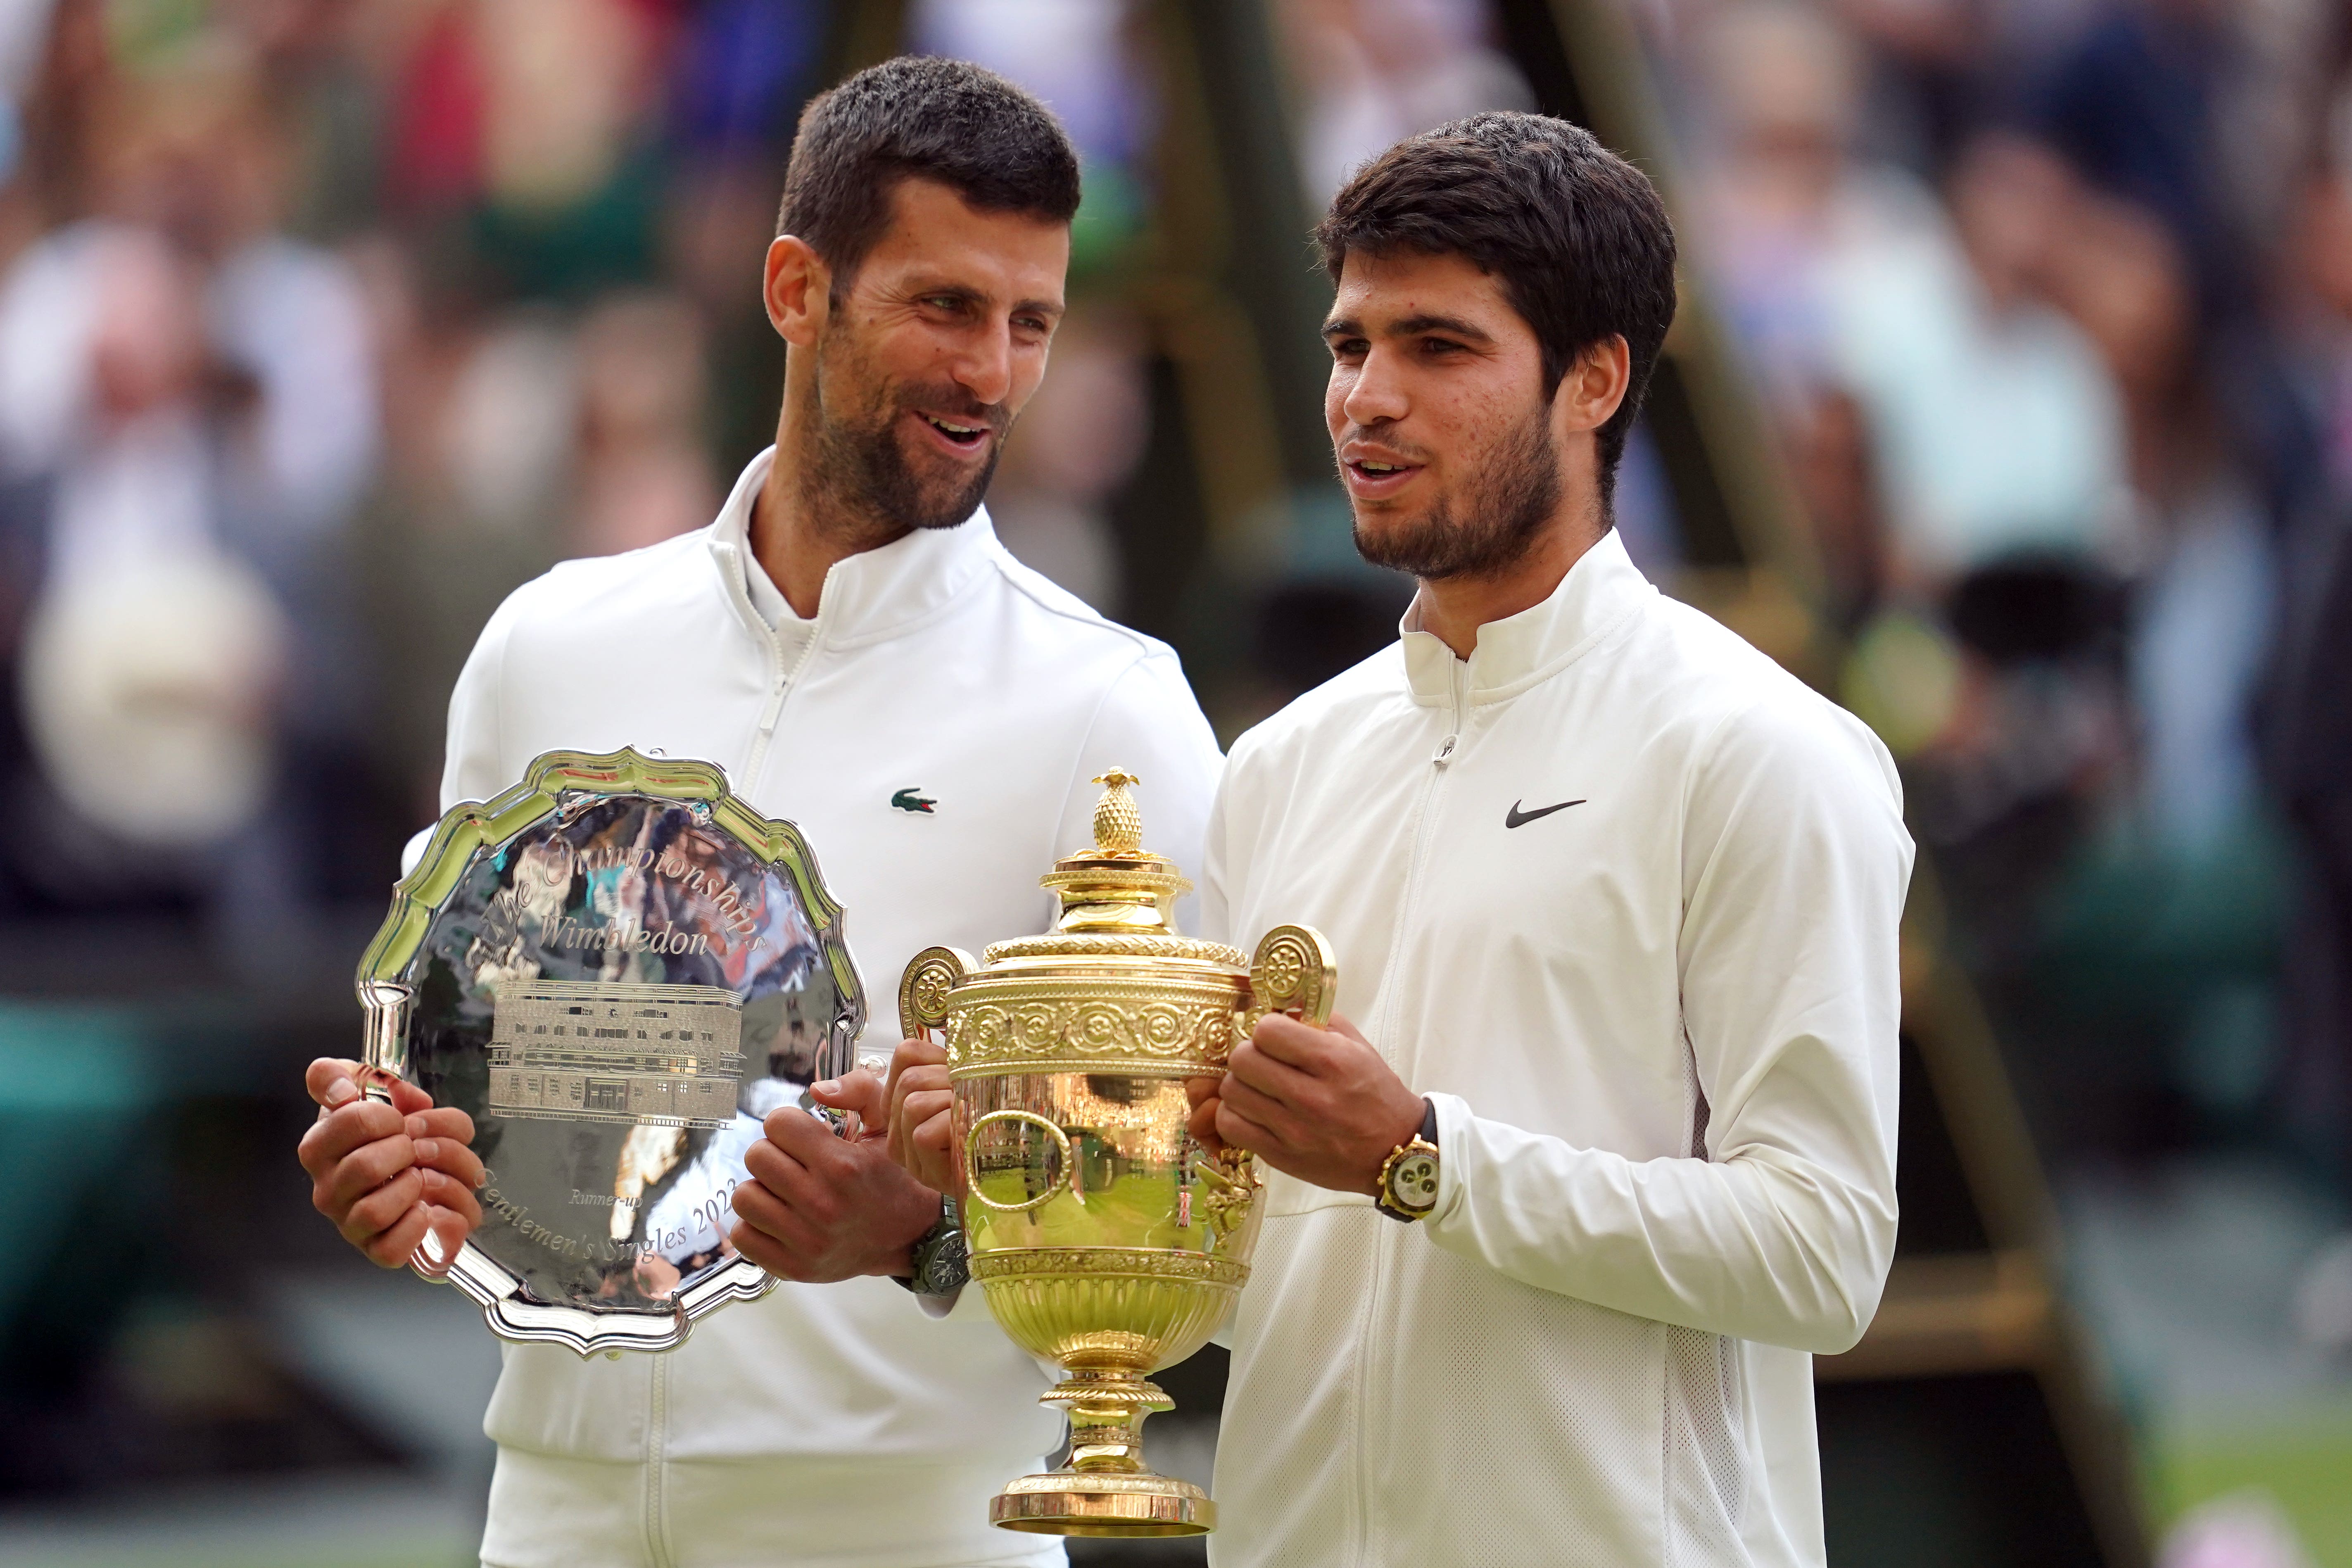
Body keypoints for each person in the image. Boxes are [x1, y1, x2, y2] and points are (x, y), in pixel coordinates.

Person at [891, 112, 1915, 1567]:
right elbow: (1281, 1281)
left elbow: (1822, 1255)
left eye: (1439, 347)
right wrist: (1041, 1168)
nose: (1366, 398)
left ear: (1596, 379)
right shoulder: (1283, 768)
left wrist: (1424, 1158)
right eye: (1350, 345)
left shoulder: (1760, 751)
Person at [294, 56, 1222, 1568]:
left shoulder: (1113, 711)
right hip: (553, 1516)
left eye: (1031, 322)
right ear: (796, 288)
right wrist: (389, 1169)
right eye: (944, 306)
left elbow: (1210, 1218)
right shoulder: (548, 645)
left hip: (916, 1531)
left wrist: (914, 1239)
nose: (993, 369)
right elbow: (455, 1079)